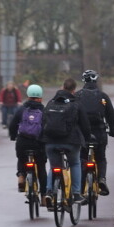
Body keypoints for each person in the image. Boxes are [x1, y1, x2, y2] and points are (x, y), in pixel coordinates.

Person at [42, 77, 93, 205]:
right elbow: (85, 125)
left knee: (54, 167)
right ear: (74, 90)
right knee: (75, 163)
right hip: (71, 142)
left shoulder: (50, 102)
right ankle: (76, 194)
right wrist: (86, 139)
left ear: (62, 87)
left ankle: (48, 192)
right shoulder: (76, 104)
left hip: (51, 142)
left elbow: (43, 122)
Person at [75, 69, 114, 195]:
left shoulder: (77, 96)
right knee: (100, 158)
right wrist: (113, 130)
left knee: (82, 158)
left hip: (83, 134)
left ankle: (81, 188)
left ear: (84, 81)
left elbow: (72, 113)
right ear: (96, 80)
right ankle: (101, 179)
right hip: (99, 133)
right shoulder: (103, 96)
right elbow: (111, 115)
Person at [8, 83, 48, 200]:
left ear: (28, 95)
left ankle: (21, 175)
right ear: (40, 96)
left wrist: (13, 136)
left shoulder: (21, 109)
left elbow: (12, 125)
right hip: (38, 143)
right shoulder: (44, 110)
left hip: (23, 142)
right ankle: (44, 196)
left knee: (22, 159)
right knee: (41, 168)